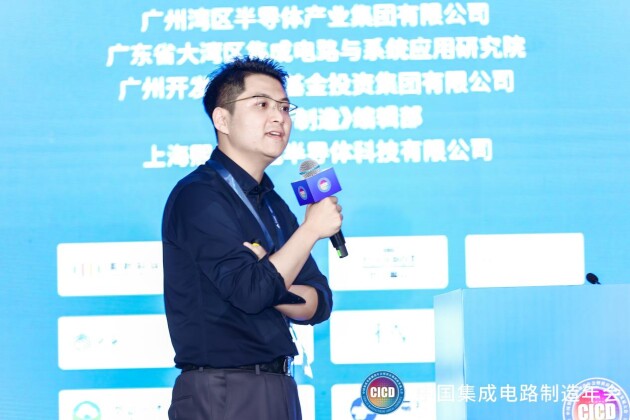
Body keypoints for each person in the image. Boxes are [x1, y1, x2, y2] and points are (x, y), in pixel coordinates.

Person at [161, 56, 341, 420]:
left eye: (285, 107)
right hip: (223, 390)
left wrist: (271, 278)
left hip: (278, 386)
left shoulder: (271, 202)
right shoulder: (200, 196)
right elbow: (251, 291)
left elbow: (318, 302)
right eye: (262, 105)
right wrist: (309, 231)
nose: (279, 117)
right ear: (222, 119)